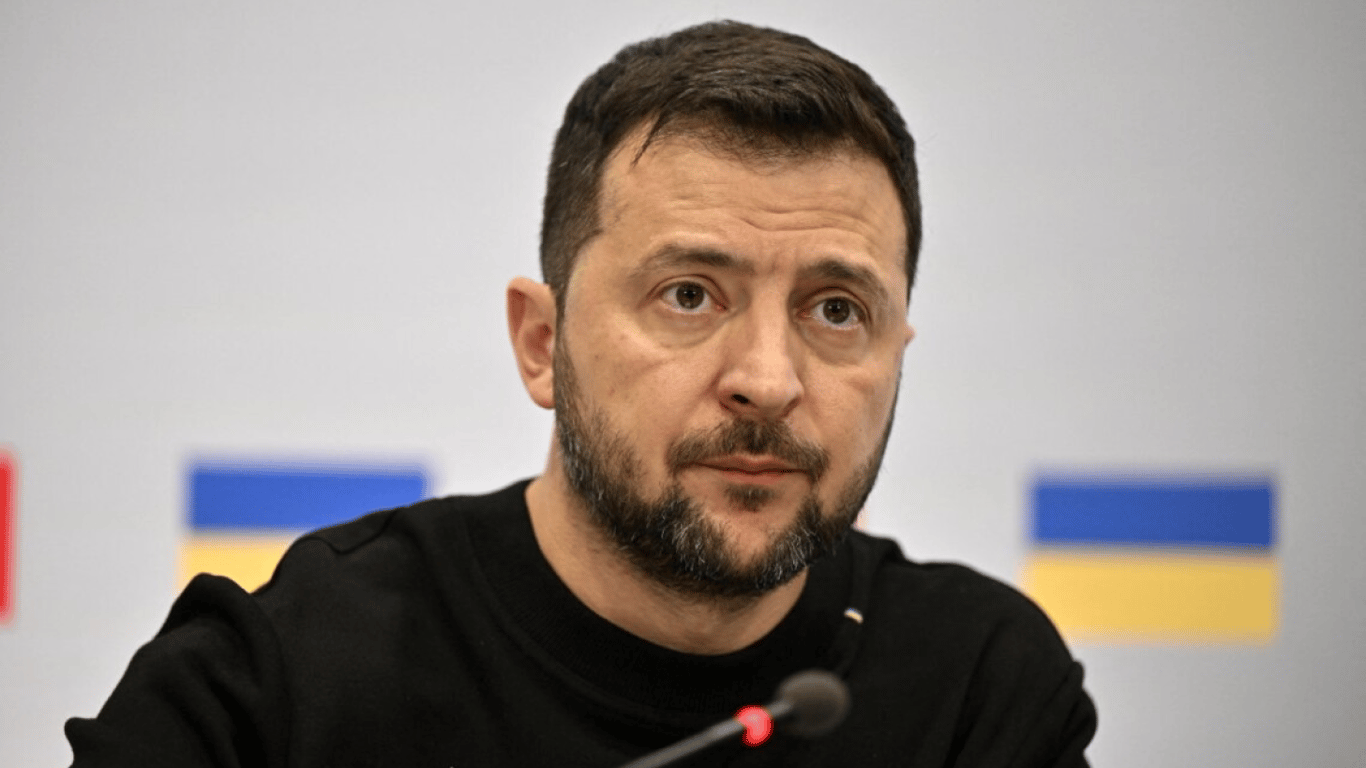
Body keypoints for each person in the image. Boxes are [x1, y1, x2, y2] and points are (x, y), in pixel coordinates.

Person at [67, 20, 1096, 767]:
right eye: (689, 295)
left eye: (836, 310)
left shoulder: (981, 691)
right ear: (541, 342)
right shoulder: (288, 678)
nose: (768, 381)